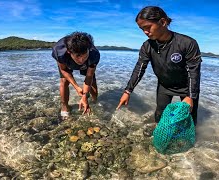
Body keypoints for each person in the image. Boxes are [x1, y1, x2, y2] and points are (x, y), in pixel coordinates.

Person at [116, 6, 202, 136]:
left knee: (189, 119)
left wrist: (190, 96)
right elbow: (139, 68)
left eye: (147, 27)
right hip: (164, 86)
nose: (145, 32)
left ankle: (186, 139)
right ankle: (161, 135)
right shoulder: (147, 46)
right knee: (160, 114)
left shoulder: (187, 43)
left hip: (187, 87)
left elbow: (194, 72)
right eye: (142, 29)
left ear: (163, 22)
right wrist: (128, 91)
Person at [52, 32, 100, 118]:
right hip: (67, 62)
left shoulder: (94, 54)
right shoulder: (59, 52)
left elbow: (89, 77)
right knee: (64, 80)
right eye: (78, 56)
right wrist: (77, 87)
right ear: (69, 52)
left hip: (89, 63)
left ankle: (94, 101)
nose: (81, 60)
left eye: (84, 56)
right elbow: (63, 70)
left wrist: (85, 96)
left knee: (92, 82)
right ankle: (65, 106)